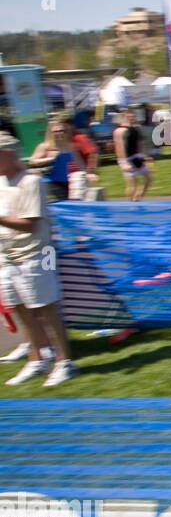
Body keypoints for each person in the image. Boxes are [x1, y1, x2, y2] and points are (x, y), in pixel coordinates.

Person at [0, 133, 77, 387]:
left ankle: (64, 362)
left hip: (35, 253)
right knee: (22, 311)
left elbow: (30, 224)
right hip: (7, 256)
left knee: (45, 310)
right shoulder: (2, 182)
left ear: (9, 153)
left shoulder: (31, 182)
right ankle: (37, 358)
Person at [27, 114, 87, 201]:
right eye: (55, 131)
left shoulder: (70, 147)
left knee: (70, 202)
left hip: (65, 181)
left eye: (62, 131)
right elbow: (32, 161)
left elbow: (80, 164)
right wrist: (50, 159)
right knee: (64, 202)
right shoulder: (45, 146)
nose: (59, 133)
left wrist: (86, 174)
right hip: (49, 181)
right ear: (50, 133)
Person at [112, 107, 152, 201]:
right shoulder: (119, 131)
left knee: (148, 178)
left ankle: (137, 198)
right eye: (129, 114)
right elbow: (119, 147)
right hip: (126, 159)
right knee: (132, 184)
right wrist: (123, 163)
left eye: (133, 114)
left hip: (136, 157)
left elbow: (140, 142)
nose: (132, 116)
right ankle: (131, 202)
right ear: (124, 115)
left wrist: (144, 156)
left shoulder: (136, 128)